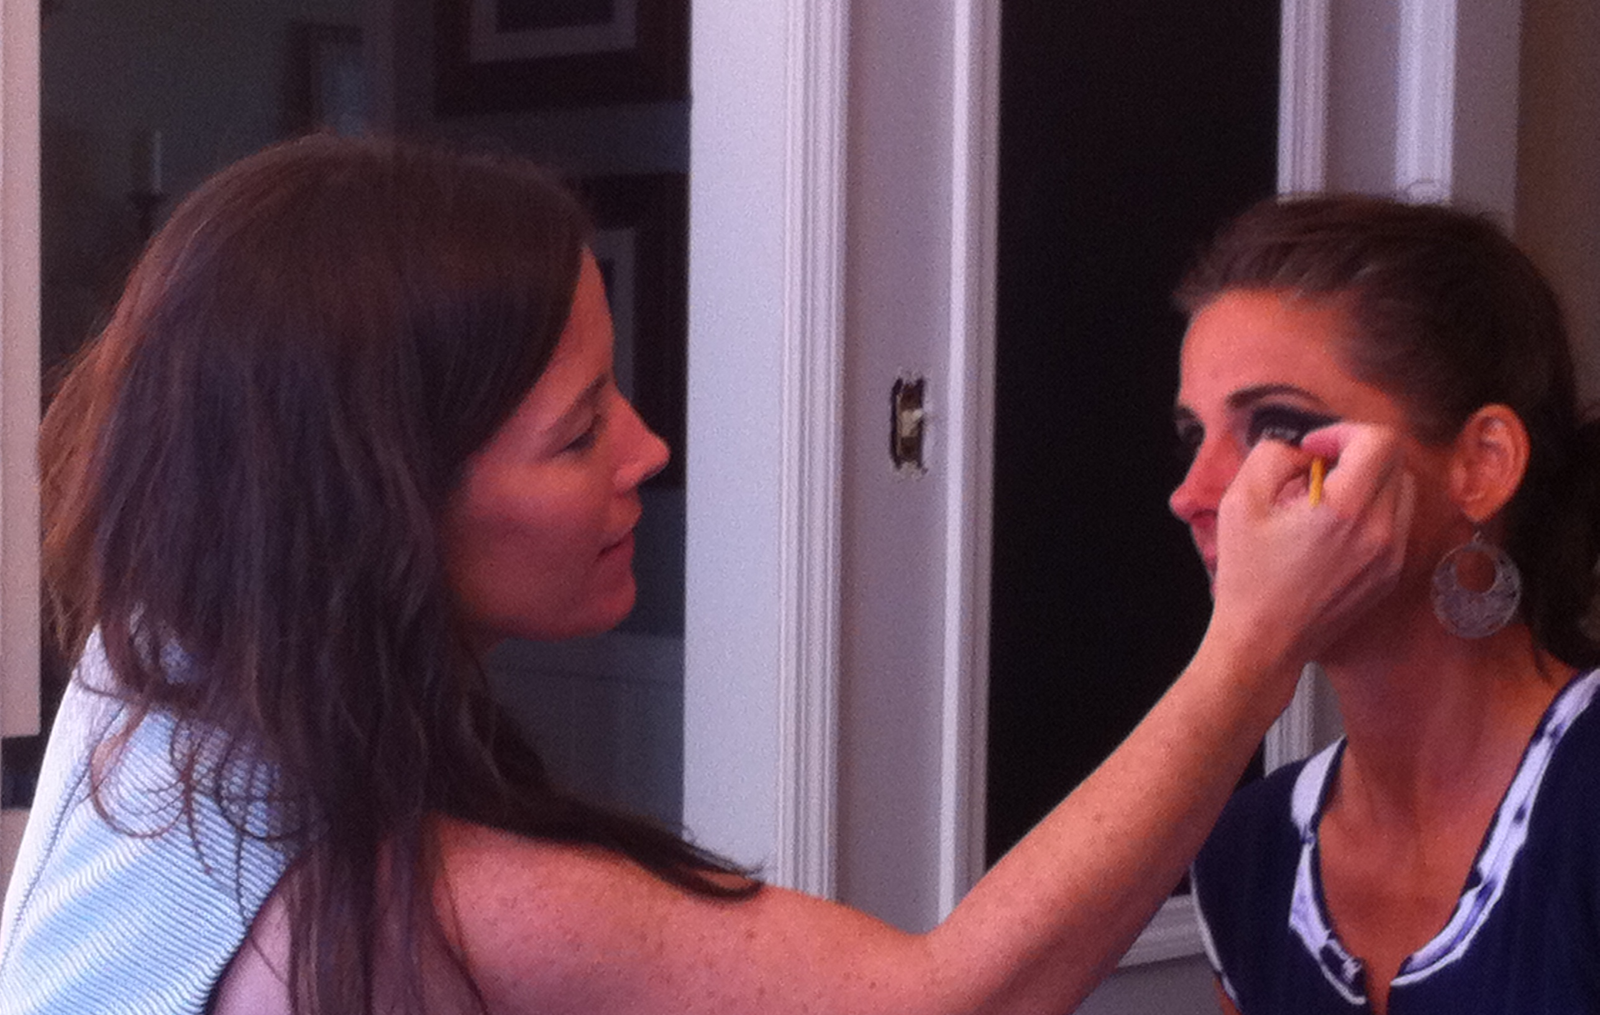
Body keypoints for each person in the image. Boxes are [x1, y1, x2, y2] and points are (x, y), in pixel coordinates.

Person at [0, 134, 1410, 1015]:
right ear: (378, 506)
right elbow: (946, 1001)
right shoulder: (396, 916)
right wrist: (1253, 645)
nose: (648, 448)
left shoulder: (167, 652)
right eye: (576, 433)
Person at [1173, 195, 1600, 1015]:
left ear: (1481, 464)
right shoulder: (1247, 850)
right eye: (1195, 435)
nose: (1193, 493)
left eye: (1275, 429)